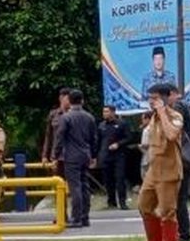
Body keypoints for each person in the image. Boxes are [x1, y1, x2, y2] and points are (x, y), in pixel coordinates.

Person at [135, 83, 185, 241]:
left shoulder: (175, 116)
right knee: (144, 204)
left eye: (155, 98)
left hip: (169, 170)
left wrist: (163, 112)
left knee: (167, 210)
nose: (151, 102)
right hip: (153, 170)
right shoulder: (153, 117)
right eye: (150, 98)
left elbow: (171, 135)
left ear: (165, 98)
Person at [54, 89, 98, 228]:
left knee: (75, 187)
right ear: (82, 101)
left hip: (71, 155)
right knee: (85, 185)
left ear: (70, 101)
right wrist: (93, 155)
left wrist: (56, 155)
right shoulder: (89, 117)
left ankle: (76, 217)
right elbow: (94, 138)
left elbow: (59, 137)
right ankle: (85, 217)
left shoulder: (66, 117)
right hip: (85, 154)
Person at [166, 85, 190, 241]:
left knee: (178, 199)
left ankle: (184, 235)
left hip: (179, 156)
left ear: (172, 94)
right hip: (189, 155)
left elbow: (171, 132)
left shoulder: (177, 108)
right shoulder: (188, 106)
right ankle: (184, 235)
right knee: (181, 198)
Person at [97, 105, 130, 209]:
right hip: (105, 156)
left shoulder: (121, 124)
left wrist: (118, 144)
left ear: (113, 112)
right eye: (104, 112)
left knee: (120, 179)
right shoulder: (101, 125)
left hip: (119, 156)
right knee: (108, 180)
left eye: (107, 112)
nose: (105, 114)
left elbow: (129, 137)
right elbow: (98, 141)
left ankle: (122, 202)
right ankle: (111, 202)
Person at [40, 88, 71, 171]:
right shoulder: (53, 114)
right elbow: (48, 136)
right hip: (56, 156)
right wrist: (44, 155)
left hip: (71, 155)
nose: (70, 101)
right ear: (61, 98)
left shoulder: (74, 115)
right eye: (68, 99)